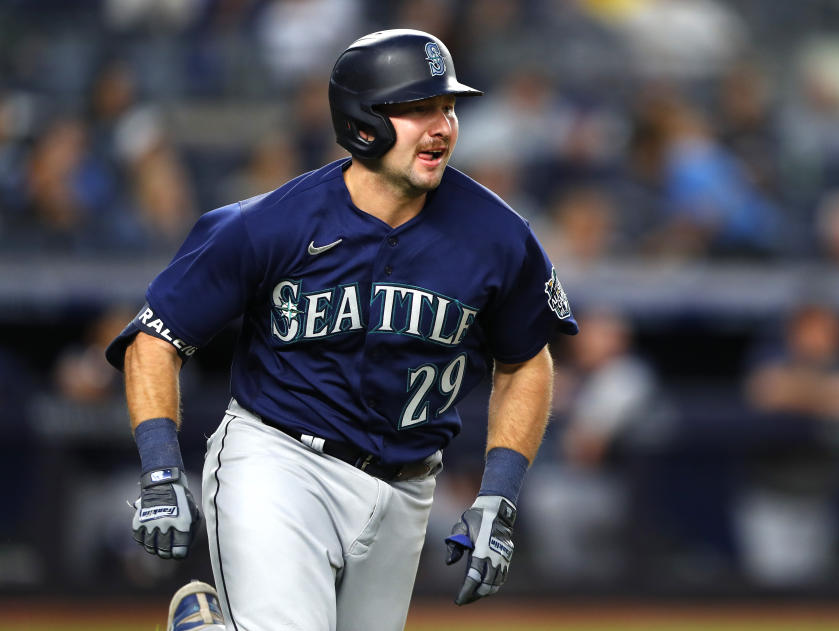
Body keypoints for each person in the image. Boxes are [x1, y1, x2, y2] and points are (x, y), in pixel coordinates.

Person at [104, 29, 578, 631]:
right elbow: (156, 339)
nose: (442, 126)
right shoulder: (269, 223)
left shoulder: (499, 235)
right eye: (416, 109)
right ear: (362, 122)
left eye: (448, 107)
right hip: (279, 461)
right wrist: (161, 468)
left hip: (407, 487)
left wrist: (500, 495)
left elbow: (526, 360)